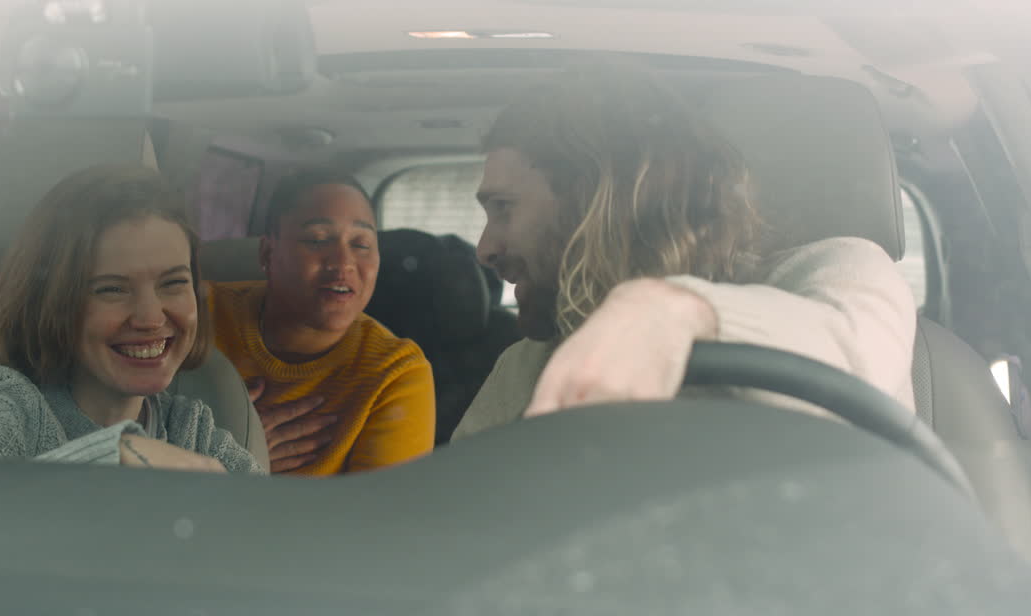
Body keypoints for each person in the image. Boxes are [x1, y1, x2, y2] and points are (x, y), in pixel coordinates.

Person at [452, 64, 917, 439]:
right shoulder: (524, 367)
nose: (484, 250)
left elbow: (856, 370)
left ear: (596, 205)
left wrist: (672, 310)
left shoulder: (844, 271)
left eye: (504, 208)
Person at [0, 165, 264, 474]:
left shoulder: (193, 432)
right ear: (52, 301)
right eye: (112, 289)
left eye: (174, 283)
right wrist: (117, 452)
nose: (150, 318)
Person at [208, 169, 435, 475]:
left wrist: (240, 468)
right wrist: (227, 459)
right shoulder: (196, 314)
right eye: (317, 240)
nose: (343, 262)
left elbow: (380, 519)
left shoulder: (394, 372)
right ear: (267, 252)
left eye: (361, 244)